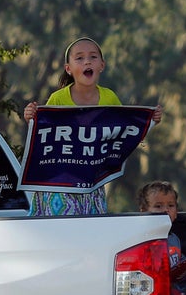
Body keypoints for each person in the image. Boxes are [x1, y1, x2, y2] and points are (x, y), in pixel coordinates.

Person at [22, 36, 161, 216]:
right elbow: (44, 132)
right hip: (58, 185)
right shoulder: (58, 98)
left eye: (93, 57)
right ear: (69, 69)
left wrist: (151, 120)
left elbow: (125, 132)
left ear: (101, 65)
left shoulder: (110, 98)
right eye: (79, 58)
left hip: (91, 184)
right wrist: (31, 117)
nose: (87, 61)